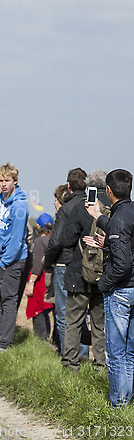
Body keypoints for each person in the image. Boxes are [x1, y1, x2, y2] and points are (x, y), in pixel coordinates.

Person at [85, 169, 134, 407]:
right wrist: (98, 216)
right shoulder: (129, 212)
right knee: (131, 352)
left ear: (108, 191)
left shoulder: (119, 218)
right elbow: (123, 236)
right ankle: (126, 401)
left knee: (115, 353)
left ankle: (118, 405)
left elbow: (122, 263)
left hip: (122, 291)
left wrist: (104, 284)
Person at [60, 170, 108, 371]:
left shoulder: (82, 207)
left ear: (89, 185)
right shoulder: (113, 207)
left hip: (79, 274)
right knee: (100, 326)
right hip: (104, 275)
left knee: (73, 322)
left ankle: (70, 364)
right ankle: (100, 366)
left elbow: (66, 240)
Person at [44, 168, 89, 358]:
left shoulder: (66, 209)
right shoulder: (90, 205)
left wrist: (48, 262)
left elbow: (56, 242)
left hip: (64, 264)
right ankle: (84, 355)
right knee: (83, 315)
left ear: (68, 186)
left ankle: (68, 356)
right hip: (88, 265)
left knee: (63, 316)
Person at [0, 163, 29, 351]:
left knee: (8, 299)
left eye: (7, 180)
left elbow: (16, 239)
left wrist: (5, 261)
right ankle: (2, 335)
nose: (3, 184)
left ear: (15, 181)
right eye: (1, 180)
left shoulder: (19, 205)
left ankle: (5, 342)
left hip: (14, 259)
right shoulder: (4, 200)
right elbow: (3, 233)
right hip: (3, 256)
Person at [25, 213, 54, 340]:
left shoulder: (39, 241)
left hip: (40, 279)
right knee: (47, 310)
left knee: (38, 310)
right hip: (51, 278)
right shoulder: (53, 240)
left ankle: (41, 339)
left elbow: (37, 265)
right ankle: (49, 338)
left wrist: (31, 282)